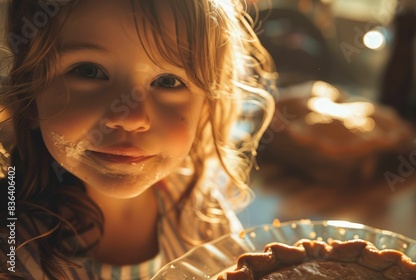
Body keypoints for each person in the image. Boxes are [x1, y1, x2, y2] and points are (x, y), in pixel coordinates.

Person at [0, 0, 276, 279]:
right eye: (89, 71)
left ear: (206, 107)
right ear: (29, 96)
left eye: (168, 81)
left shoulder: (199, 210)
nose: (130, 117)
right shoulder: (12, 250)